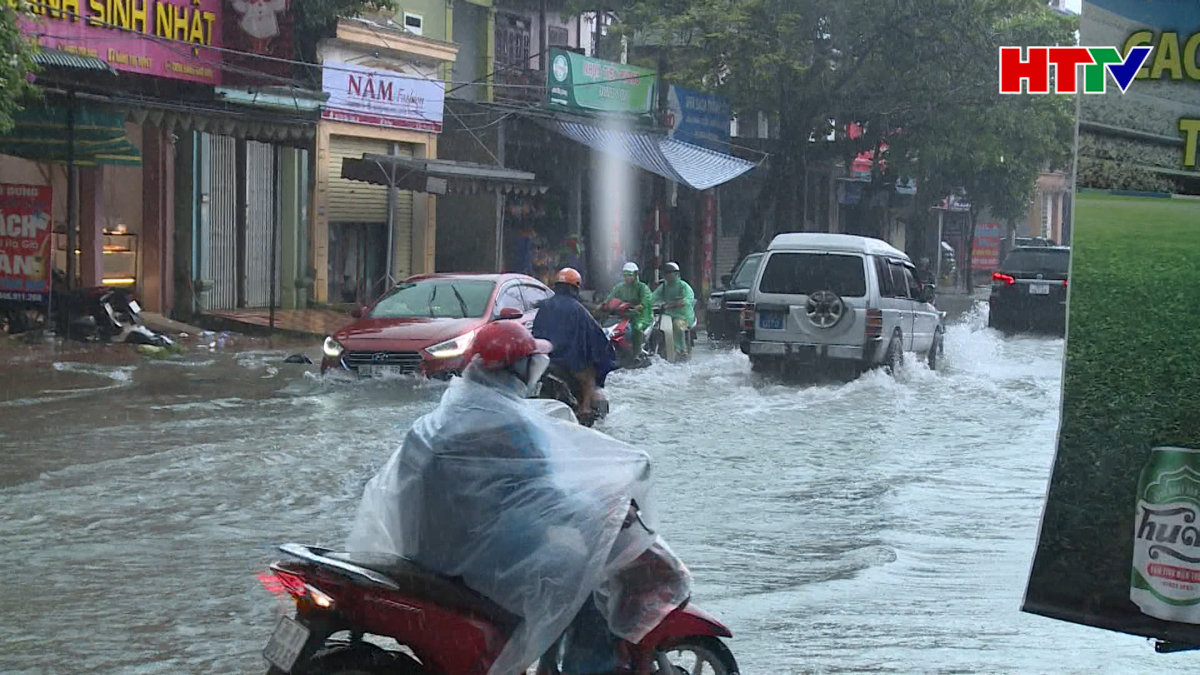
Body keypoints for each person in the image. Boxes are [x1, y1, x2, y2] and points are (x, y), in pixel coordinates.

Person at [344, 321, 691, 675]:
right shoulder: (509, 425)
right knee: (583, 585)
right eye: (531, 361)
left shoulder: (441, 418)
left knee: (562, 561)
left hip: (428, 553)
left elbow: (528, 495)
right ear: (519, 368)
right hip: (475, 562)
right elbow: (551, 494)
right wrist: (605, 509)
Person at [531, 267, 616, 420]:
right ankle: (585, 409)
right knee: (589, 378)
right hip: (569, 364)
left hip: (544, 360)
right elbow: (597, 338)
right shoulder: (579, 310)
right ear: (576, 287)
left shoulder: (544, 306)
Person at [604, 262, 653, 358]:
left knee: (636, 328)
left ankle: (637, 354)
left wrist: (636, 307)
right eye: (625, 275)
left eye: (630, 275)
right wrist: (605, 306)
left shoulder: (642, 288)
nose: (627, 278)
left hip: (641, 316)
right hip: (622, 316)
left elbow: (645, 302)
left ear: (635, 275)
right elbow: (610, 298)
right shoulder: (619, 287)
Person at [651, 262, 695, 359]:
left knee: (677, 325)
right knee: (657, 327)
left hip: (684, 316)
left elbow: (686, 300)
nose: (667, 276)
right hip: (668, 315)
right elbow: (653, 297)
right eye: (665, 273)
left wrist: (671, 305)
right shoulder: (664, 287)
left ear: (676, 274)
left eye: (669, 273)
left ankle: (681, 349)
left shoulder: (683, 286)